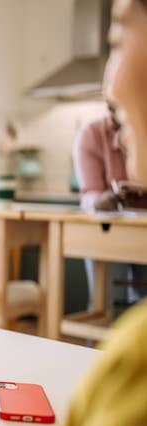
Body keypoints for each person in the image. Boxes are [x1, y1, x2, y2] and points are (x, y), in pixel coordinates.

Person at [54, 0, 147, 426]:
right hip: (109, 229)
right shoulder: (91, 135)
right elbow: (88, 197)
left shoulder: (138, 368)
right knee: (109, 302)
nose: (112, 82)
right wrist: (113, 196)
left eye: (118, 42)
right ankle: (93, 351)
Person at [74, 104, 147, 306]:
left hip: (144, 232)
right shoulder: (91, 135)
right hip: (105, 231)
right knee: (107, 305)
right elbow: (90, 193)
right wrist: (101, 200)